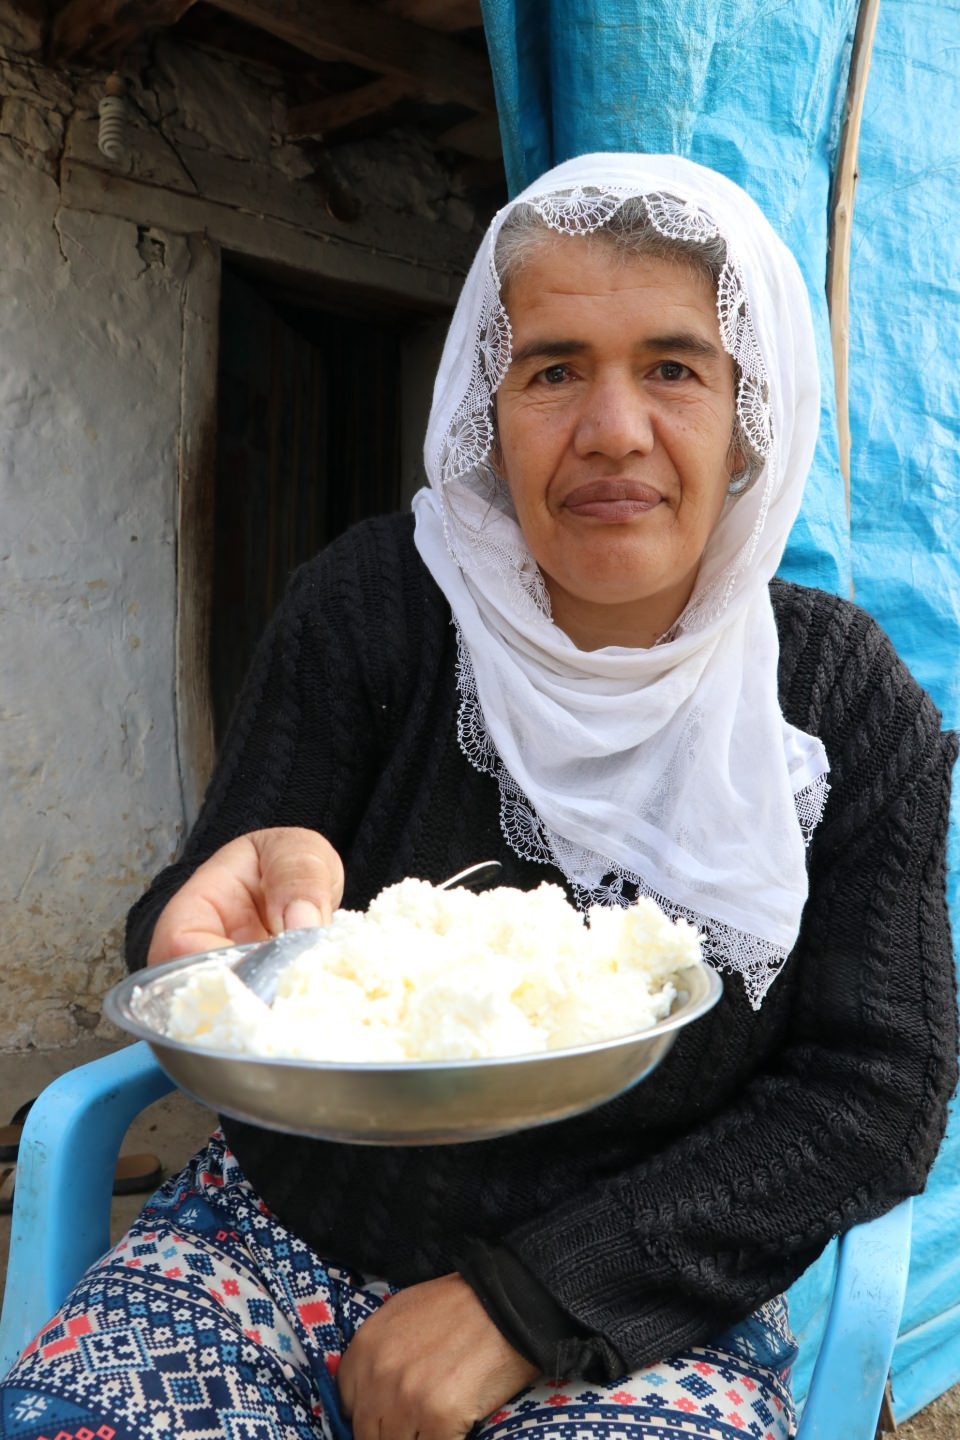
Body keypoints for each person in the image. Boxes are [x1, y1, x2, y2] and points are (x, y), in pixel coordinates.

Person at [2, 153, 956, 1440]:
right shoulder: (373, 607)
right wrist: (207, 911)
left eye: (675, 367)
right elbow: (214, 919)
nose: (613, 429)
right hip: (281, 1235)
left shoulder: (844, 705)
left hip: (644, 1298)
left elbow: (871, 1093)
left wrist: (527, 1305)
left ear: (753, 418)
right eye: (554, 368)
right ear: (485, 410)